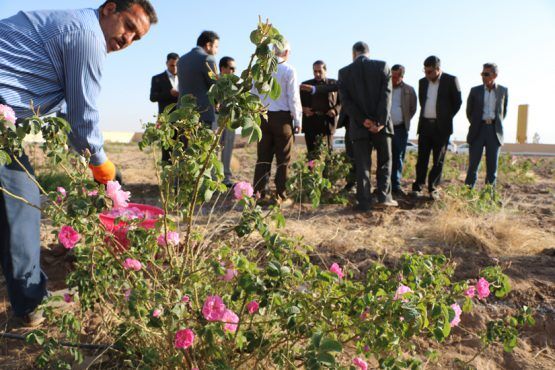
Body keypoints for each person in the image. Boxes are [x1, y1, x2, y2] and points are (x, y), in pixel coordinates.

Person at [0, 0, 156, 326]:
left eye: (136, 38)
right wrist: (103, 169)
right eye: (128, 25)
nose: (128, 39)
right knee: (22, 203)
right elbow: (83, 115)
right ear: (109, 9)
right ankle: (30, 303)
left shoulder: (74, 26)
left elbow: (64, 115)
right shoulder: (87, 35)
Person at [338, 41, 396, 211]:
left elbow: (346, 103)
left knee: (362, 164)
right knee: (385, 161)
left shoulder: (344, 72)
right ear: (368, 52)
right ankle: (384, 197)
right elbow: (386, 97)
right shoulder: (383, 66)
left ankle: (364, 202)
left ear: (353, 54)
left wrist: (364, 120)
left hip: (359, 126)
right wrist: (379, 121)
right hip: (382, 127)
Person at [252, 41, 302, 204]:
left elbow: (253, 93)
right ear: (287, 52)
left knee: (263, 158)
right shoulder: (288, 69)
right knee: (283, 159)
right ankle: (281, 194)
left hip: (263, 117)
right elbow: (293, 97)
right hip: (282, 118)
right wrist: (297, 119)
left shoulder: (261, 68)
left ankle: (258, 194)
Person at [411, 56, 462, 200]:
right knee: (422, 158)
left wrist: (445, 116)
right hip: (425, 126)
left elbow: (457, 102)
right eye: (425, 71)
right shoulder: (422, 82)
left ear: (438, 69)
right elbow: (423, 101)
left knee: (438, 160)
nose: (427, 75)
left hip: (442, 128)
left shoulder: (451, 80)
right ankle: (418, 186)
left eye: (430, 72)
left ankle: (432, 187)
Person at [464, 63, 508, 188]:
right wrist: (477, 123)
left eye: (486, 74)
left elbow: (503, 112)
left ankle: (489, 197)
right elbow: (469, 111)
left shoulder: (503, 91)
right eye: (482, 73)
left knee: (492, 168)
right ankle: (468, 194)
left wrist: (494, 123)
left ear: (495, 75)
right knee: (473, 166)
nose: (483, 76)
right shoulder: (475, 91)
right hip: (478, 130)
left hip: (494, 132)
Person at [177, 31, 219, 129]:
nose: (217, 51)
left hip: (182, 113)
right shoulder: (208, 59)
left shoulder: (181, 60)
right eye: (216, 47)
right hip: (202, 114)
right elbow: (215, 86)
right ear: (208, 45)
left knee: (185, 143)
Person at [299, 60, 341, 158]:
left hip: (327, 123)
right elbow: (296, 102)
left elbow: (341, 102)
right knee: (311, 155)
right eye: (315, 71)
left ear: (325, 70)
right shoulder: (305, 85)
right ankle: (311, 173)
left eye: (320, 71)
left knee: (328, 155)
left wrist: (335, 110)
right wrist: (304, 109)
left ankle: (327, 173)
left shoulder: (333, 84)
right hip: (310, 124)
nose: (317, 74)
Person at [390, 64, 417, 195]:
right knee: (384, 157)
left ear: (402, 76)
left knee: (398, 157)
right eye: (391, 76)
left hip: (400, 128)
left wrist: (403, 119)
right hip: (385, 128)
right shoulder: (384, 88)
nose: (393, 79)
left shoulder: (409, 90)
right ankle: (383, 185)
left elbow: (412, 109)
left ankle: (395, 185)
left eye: (396, 77)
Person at [150, 52, 179, 162]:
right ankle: (167, 178)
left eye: (177, 65)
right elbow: (153, 97)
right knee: (166, 150)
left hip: (181, 120)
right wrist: (169, 93)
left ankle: (179, 178)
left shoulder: (184, 78)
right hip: (165, 120)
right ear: (167, 63)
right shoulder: (157, 78)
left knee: (181, 149)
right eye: (172, 65)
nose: (175, 68)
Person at [218, 56, 237, 187]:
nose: (233, 71)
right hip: (215, 118)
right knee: (213, 148)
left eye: (234, 68)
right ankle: (212, 178)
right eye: (231, 68)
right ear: (222, 68)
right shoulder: (214, 80)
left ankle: (226, 178)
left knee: (228, 147)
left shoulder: (235, 83)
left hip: (230, 119)